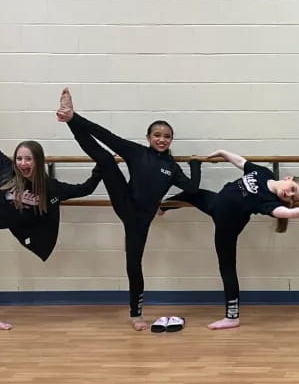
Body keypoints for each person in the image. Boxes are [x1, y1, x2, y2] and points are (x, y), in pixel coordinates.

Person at [56, 88, 199, 331]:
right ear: (148, 137)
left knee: (134, 263)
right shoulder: (137, 152)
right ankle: (69, 116)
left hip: (140, 219)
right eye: (157, 135)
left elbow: (192, 189)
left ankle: (136, 314)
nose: (161, 139)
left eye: (166, 136)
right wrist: (74, 119)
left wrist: (194, 165)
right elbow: (105, 135)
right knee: (105, 159)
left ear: (171, 140)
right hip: (125, 202)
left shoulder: (172, 168)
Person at [0, 82, 100, 329]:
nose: (23, 163)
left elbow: (85, 188)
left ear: (38, 160)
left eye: (28, 159)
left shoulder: (50, 188)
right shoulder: (7, 169)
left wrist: (103, 165)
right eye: (19, 158)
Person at [161, 150, 299, 328]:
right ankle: (161, 209)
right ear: (288, 178)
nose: (288, 195)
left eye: (292, 198)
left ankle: (232, 317)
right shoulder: (264, 173)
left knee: (227, 268)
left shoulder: (269, 202)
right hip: (215, 203)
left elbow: (288, 213)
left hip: (228, 224)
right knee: (191, 194)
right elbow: (241, 162)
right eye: (293, 189)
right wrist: (222, 152)